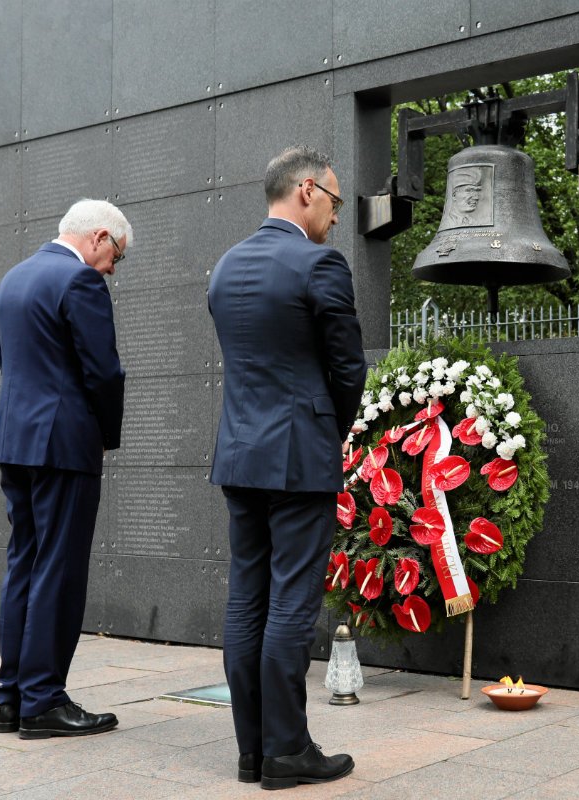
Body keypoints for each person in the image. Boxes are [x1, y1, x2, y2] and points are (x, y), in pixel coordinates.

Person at [208, 146, 366, 789]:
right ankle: (286, 751)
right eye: (334, 200)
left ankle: (252, 751)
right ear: (306, 190)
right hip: (299, 456)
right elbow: (348, 369)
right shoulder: (319, 263)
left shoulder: (225, 267)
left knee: (247, 599)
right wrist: (328, 430)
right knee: (292, 604)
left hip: (239, 454)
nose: (336, 215)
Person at [0, 199, 131, 740]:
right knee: (59, 567)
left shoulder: (13, 279)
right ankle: (44, 699)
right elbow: (104, 372)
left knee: (24, 562)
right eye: (116, 255)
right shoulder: (79, 281)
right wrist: (106, 435)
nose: (112, 268)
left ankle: (12, 697)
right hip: (63, 443)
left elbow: (9, 362)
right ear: (99, 237)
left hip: (15, 439)